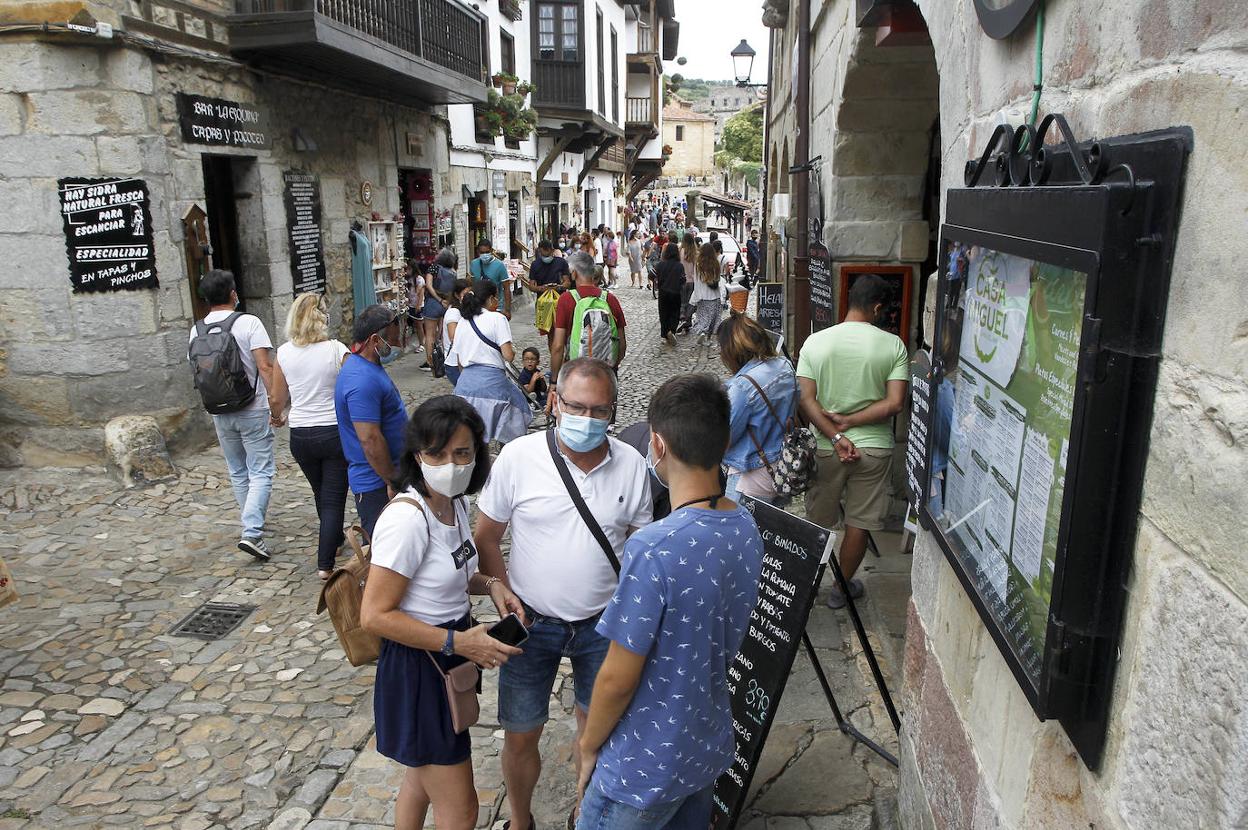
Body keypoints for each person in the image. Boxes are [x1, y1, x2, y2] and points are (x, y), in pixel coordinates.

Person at [575, 373, 762, 830]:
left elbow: (618, 675)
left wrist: (587, 747)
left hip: (642, 766)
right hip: (703, 747)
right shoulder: (746, 529)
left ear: (656, 445)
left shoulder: (655, 547)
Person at [474, 358, 652, 830]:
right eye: (576, 406)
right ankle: (519, 821)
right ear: (554, 402)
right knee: (519, 734)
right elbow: (486, 536)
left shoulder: (632, 465)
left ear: (613, 411)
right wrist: (500, 593)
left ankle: (584, 816)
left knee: (596, 734)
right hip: (532, 623)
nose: (587, 419)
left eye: (599, 411)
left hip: (604, 623)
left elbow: (639, 549)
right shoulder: (518, 458)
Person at [360, 395, 527, 830]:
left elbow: (450, 574)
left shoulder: (453, 504)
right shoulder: (407, 519)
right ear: (418, 454)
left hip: (446, 659)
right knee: (461, 808)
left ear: (477, 455)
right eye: (437, 453)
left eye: (461, 453)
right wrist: (459, 641)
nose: (449, 463)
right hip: (420, 668)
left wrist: (493, 585)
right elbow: (374, 615)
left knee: (420, 779)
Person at [797, 274, 908, 608]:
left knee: (818, 522)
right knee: (859, 522)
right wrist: (853, 422)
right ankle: (841, 589)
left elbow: (805, 398)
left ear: (848, 301)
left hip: (827, 447)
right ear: (877, 308)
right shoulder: (893, 345)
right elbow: (895, 403)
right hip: (874, 449)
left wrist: (836, 433)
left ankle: (803, 588)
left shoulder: (816, 342)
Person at [188, 268, 277, 561]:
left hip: (219, 409)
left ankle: (250, 520)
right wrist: (277, 406)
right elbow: (265, 367)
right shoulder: (249, 323)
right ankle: (252, 532)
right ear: (232, 293)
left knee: (238, 470)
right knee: (261, 470)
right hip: (252, 408)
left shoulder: (196, 330)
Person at [269, 293, 351, 579]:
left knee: (321, 491)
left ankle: (336, 539)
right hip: (332, 431)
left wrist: (276, 416)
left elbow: (277, 397)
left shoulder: (283, 353)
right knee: (332, 498)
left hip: (301, 434)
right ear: (323, 318)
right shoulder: (336, 349)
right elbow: (353, 386)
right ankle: (325, 564)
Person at [335, 304, 408, 539]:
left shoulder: (367, 369)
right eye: (394, 335)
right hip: (376, 484)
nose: (397, 340)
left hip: (386, 477)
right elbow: (370, 439)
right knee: (384, 551)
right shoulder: (361, 380)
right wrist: (391, 480)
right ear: (376, 340)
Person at [718, 314, 798, 505]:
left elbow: (725, 438)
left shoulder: (743, 387)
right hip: (782, 467)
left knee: (741, 532)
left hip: (751, 475)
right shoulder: (784, 366)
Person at [451, 281, 531, 444]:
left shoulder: (462, 322)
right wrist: (512, 350)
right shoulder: (497, 318)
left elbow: (459, 361)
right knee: (519, 412)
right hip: (493, 385)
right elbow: (508, 356)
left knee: (471, 437)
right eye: (496, 297)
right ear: (490, 298)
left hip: (464, 387)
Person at [549, 252, 628, 388]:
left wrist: (554, 381)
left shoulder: (566, 300)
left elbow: (558, 346)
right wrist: (612, 367)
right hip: (606, 375)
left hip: (576, 375)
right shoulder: (610, 299)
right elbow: (621, 343)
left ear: (573, 274)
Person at [525, 240, 572, 353]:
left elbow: (567, 282)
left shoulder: (561, 262)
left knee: (563, 331)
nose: (546, 256)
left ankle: (565, 357)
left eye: (548, 253)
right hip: (544, 303)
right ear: (540, 252)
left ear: (552, 250)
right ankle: (554, 358)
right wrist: (542, 288)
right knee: (550, 333)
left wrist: (559, 287)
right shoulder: (535, 264)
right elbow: (531, 286)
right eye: (543, 254)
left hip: (559, 301)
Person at [421, 249, 458, 368]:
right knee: (443, 334)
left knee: (430, 334)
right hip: (447, 304)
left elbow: (429, 285)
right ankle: (446, 359)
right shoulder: (453, 271)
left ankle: (431, 362)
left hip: (433, 303)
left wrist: (438, 299)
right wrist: (446, 301)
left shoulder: (434, 268)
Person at [441, 279, 473, 387]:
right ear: (457, 295)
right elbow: (453, 337)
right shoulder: (453, 313)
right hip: (454, 362)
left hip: (463, 360)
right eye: (465, 294)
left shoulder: (463, 310)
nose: (468, 296)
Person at [470, 239, 512, 319]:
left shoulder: (499, 265)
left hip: (496, 307)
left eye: (487, 252)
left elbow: (506, 288)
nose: (484, 255)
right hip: (479, 308)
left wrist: (507, 310)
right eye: (482, 252)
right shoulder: (474, 264)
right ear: (478, 252)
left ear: (491, 251)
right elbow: (472, 284)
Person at [691, 241, 724, 341]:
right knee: (713, 320)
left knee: (701, 317)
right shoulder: (716, 263)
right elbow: (718, 279)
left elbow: (696, 281)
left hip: (703, 296)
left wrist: (696, 296)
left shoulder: (698, 265)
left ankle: (701, 332)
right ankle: (708, 337)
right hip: (715, 295)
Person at [654, 242, 685, 347]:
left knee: (664, 314)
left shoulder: (661, 264)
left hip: (663, 293)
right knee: (674, 313)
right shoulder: (680, 266)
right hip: (676, 293)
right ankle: (672, 331)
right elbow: (683, 280)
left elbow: (651, 275)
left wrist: (658, 281)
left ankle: (665, 334)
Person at [678, 232, 699, 333]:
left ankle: (682, 316)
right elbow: (696, 269)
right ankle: (688, 321)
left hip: (682, 280)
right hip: (692, 281)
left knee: (682, 301)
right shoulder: (694, 253)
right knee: (690, 302)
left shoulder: (680, 251)